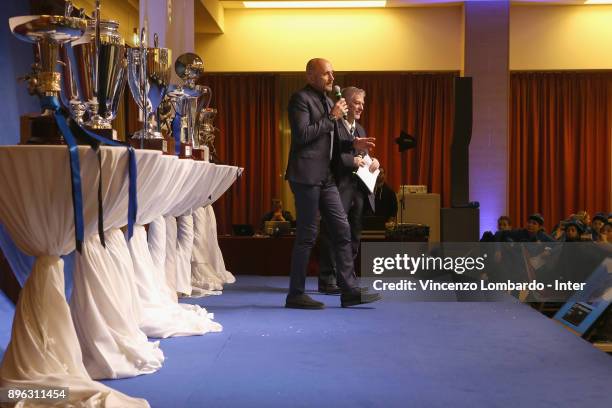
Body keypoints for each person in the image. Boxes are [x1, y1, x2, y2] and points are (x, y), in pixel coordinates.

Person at [284, 58, 381, 309]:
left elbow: (335, 141)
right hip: (305, 176)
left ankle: (349, 291)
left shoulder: (328, 101)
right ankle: (295, 294)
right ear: (310, 75)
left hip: (326, 177)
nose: (331, 78)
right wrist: (332, 116)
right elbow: (303, 135)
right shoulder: (300, 100)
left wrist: (353, 144)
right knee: (307, 235)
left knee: (342, 230)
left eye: (332, 73)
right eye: (326, 74)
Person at [318, 86, 379, 294]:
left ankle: (347, 279)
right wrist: (350, 160)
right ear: (346, 103)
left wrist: (374, 162)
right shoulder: (334, 125)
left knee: (354, 234)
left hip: (358, 189)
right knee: (332, 233)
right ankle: (327, 279)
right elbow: (328, 156)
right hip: (337, 186)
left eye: (363, 103)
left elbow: (364, 156)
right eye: (357, 103)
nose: (361, 107)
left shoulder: (360, 129)